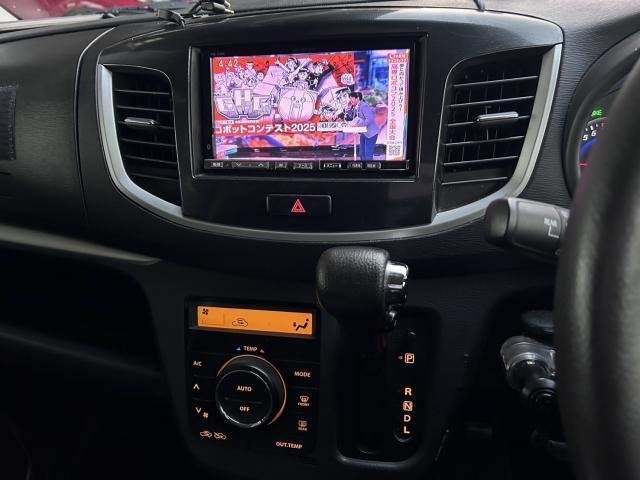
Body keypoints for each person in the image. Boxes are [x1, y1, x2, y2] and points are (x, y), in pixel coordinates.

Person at [346, 91, 380, 161]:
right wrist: (349, 108)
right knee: (362, 154)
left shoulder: (364, 106)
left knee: (368, 155)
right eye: (350, 98)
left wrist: (359, 125)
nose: (350, 100)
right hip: (364, 133)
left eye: (352, 98)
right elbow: (352, 117)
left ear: (357, 98)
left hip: (371, 133)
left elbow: (369, 119)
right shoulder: (357, 107)